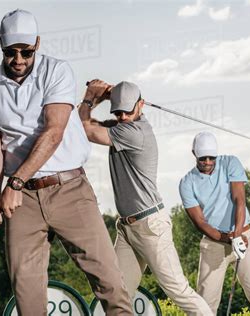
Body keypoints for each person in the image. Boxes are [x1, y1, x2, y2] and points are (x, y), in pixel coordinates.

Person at [0, 9, 133, 315]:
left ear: (37, 43)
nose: (18, 59)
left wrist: (15, 182)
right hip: (22, 202)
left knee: (110, 283)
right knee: (27, 295)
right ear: (0, 45)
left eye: (26, 51)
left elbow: (54, 131)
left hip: (69, 189)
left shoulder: (57, 71)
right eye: (10, 52)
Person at [79, 80, 213, 316]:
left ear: (141, 105)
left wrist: (91, 96)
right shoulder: (123, 125)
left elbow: (83, 129)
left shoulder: (135, 132)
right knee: (117, 294)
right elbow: (89, 123)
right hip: (127, 228)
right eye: (118, 112)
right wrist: (108, 97)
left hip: (151, 226)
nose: (123, 117)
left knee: (178, 290)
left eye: (128, 111)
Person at [179, 131, 250, 315]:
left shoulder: (230, 162)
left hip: (244, 236)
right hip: (213, 244)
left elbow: (239, 199)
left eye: (211, 157)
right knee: (204, 303)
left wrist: (237, 235)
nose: (207, 162)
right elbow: (200, 222)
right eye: (202, 158)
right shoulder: (187, 183)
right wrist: (228, 239)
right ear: (194, 154)